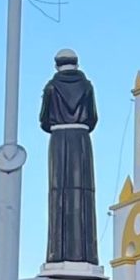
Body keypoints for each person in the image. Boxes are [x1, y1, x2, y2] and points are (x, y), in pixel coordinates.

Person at [40, 49, 99, 266]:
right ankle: (86, 255)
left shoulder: (51, 87)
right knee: (84, 194)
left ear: (57, 65)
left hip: (59, 139)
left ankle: (59, 253)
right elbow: (93, 118)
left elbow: (44, 119)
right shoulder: (87, 86)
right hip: (81, 140)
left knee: (59, 193)